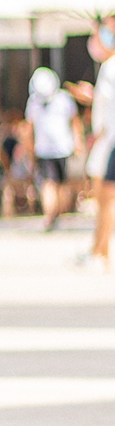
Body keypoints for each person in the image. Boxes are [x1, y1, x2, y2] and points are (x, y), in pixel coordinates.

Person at [28, 66, 79, 231]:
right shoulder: (64, 98)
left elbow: (28, 128)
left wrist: (29, 148)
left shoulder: (34, 102)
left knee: (51, 184)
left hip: (49, 148)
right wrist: (78, 141)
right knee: (56, 184)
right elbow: (75, 122)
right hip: (60, 148)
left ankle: (52, 216)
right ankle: (54, 215)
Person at [85, 18, 115, 267]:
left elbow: (104, 116)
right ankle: (99, 250)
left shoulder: (110, 68)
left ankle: (101, 252)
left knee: (106, 199)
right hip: (108, 141)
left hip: (110, 142)